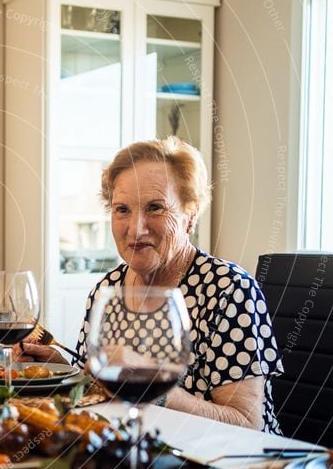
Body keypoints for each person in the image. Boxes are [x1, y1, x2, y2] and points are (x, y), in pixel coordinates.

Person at [19, 137, 282, 433]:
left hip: (221, 464)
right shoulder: (108, 288)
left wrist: (152, 383)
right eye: (122, 209)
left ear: (190, 213)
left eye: (155, 207)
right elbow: (98, 388)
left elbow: (247, 424)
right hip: (136, 451)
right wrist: (57, 366)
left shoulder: (227, 289)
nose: (136, 228)